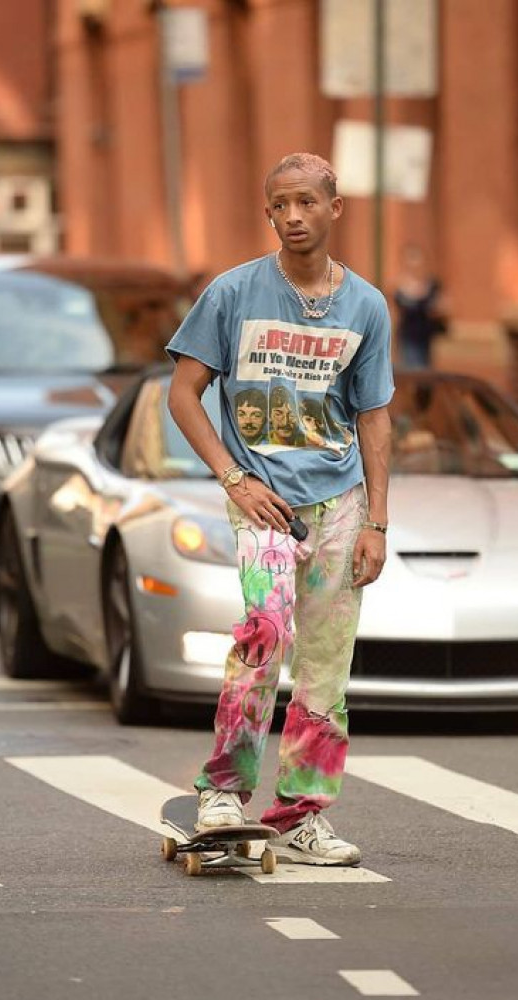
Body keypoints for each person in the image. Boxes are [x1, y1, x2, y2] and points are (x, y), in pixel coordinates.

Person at [167, 151, 393, 866]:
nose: (292, 217)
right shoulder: (232, 294)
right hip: (262, 500)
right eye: (279, 205)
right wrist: (233, 477)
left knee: (327, 662)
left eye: (305, 203)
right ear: (268, 213)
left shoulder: (365, 305)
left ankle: (301, 815)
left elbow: (375, 418)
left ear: (334, 208)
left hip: (340, 503)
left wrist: (377, 522)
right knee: (265, 634)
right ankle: (224, 790)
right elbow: (182, 392)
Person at [393, 243, 448, 370]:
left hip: (426, 337)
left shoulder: (432, 285)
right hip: (408, 337)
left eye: (417, 258)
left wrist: (438, 309)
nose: (414, 264)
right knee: (412, 370)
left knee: (425, 373)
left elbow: (443, 308)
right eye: (411, 259)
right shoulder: (400, 287)